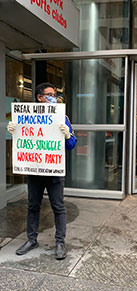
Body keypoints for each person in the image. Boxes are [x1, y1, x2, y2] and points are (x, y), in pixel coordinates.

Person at [7, 83, 77, 260]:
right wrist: (13, 131)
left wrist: (68, 135)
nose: (54, 97)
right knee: (33, 206)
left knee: (59, 207)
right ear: (39, 97)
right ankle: (32, 240)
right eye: (50, 94)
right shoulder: (24, 116)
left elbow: (71, 145)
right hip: (35, 171)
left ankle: (60, 242)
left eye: (55, 94)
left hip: (54, 172)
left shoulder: (62, 116)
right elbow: (21, 139)